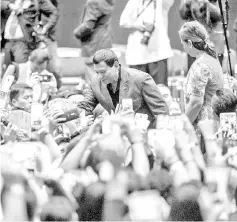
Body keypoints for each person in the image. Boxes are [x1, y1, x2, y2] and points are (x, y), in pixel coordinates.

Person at [58, 49, 169, 128]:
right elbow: (85, 107)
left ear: (116, 65)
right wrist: (63, 117)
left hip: (143, 134)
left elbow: (162, 112)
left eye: (103, 72)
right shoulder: (95, 81)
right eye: (97, 72)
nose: (100, 77)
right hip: (116, 134)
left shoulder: (141, 79)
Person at [179, 21, 223, 127]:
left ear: (189, 43)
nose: (183, 48)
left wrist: (183, 127)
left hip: (204, 127)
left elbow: (195, 103)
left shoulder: (200, 66)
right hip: (215, 122)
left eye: (183, 44)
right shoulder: (212, 58)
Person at [119, 0, 174, 85]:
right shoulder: (134, 1)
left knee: (160, 91)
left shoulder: (161, 2)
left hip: (158, 53)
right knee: (138, 93)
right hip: (137, 54)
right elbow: (123, 21)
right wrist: (136, 26)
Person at [3, 0, 58, 66]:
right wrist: (9, 5)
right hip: (7, 41)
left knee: (21, 68)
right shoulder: (13, 1)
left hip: (23, 41)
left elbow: (53, 12)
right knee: (6, 70)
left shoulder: (38, 1)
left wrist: (45, 28)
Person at [73, 0, 115, 83]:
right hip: (105, 42)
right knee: (104, 78)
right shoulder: (107, 2)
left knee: (93, 79)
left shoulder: (93, 2)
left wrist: (76, 33)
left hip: (93, 44)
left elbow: (88, 26)